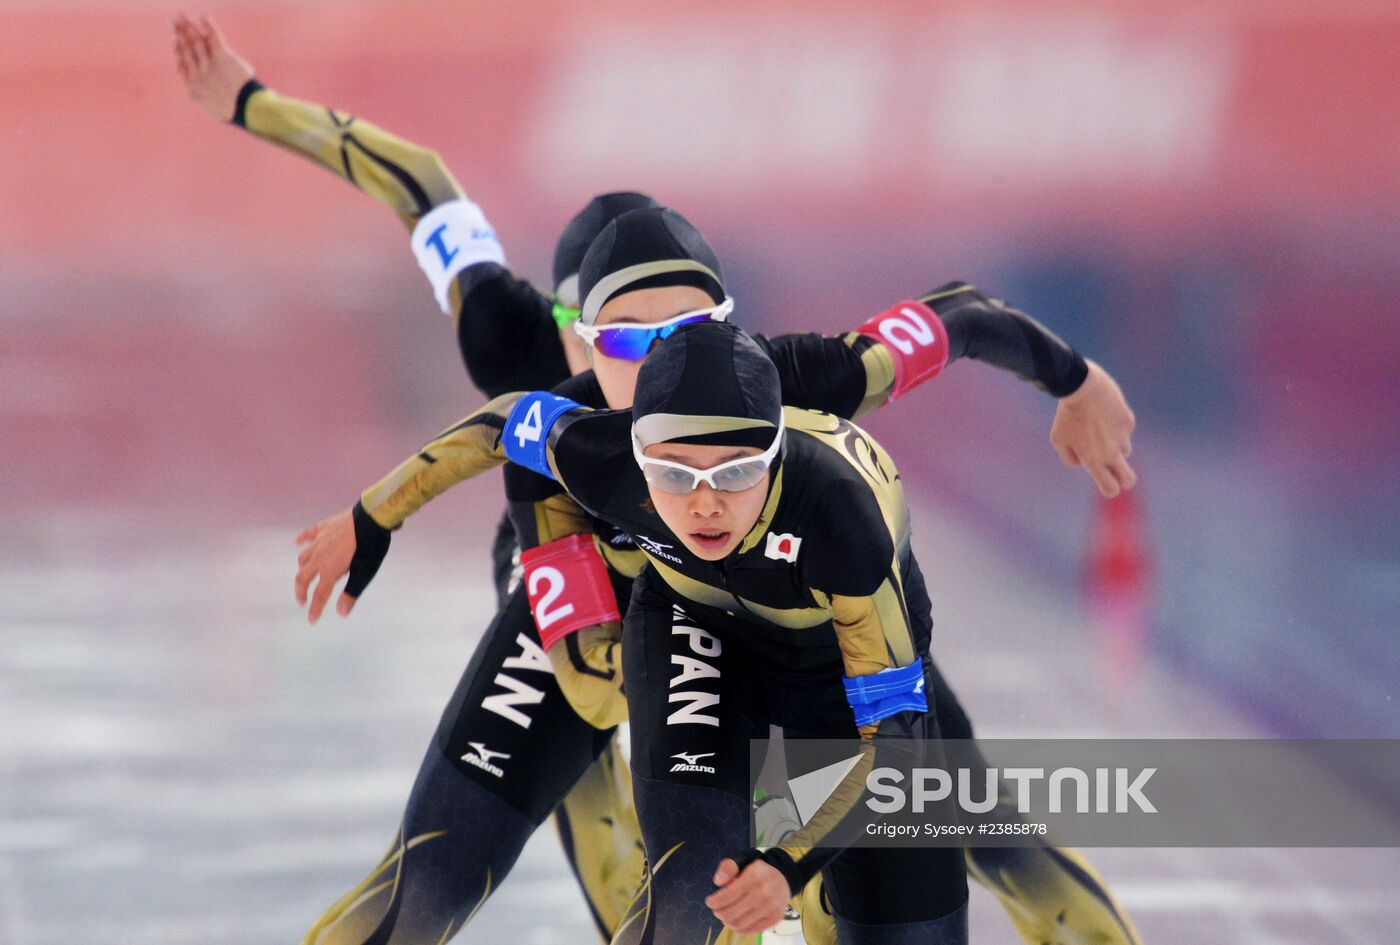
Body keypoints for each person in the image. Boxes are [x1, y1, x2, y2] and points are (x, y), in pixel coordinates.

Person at [176, 17, 1141, 944]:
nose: (658, 370)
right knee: (558, 849)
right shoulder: (524, 359)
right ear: (571, 328)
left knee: (969, 829)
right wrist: (252, 103)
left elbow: (958, 315)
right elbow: (423, 188)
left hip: (785, 617)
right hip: (625, 611)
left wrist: (1076, 377)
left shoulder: (787, 381)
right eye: (622, 340)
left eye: (685, 334)